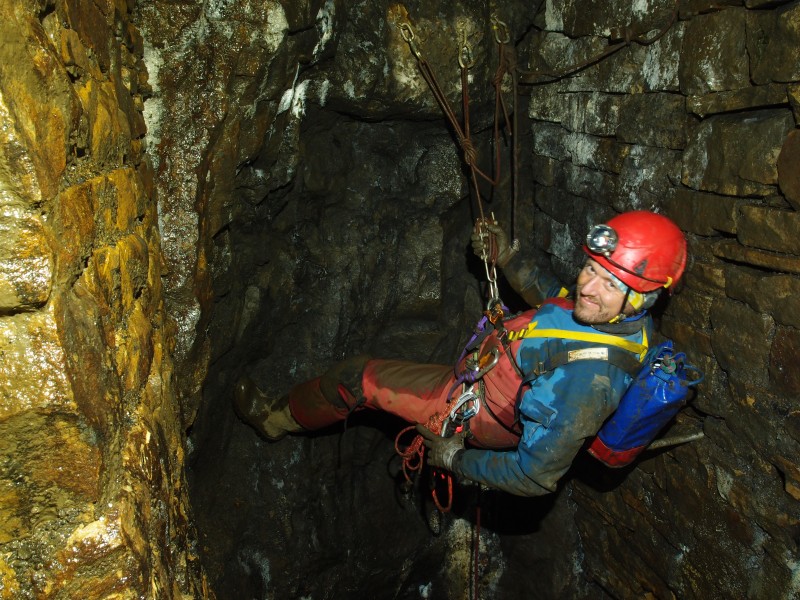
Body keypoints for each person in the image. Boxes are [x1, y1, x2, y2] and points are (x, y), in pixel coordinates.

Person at [234, 211, 687, 497]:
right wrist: (507, 256)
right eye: (591, 268)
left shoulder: (588, 386)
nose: (589, 286)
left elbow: (535, 476)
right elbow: (561, 300)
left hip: (475, 409)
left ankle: (276, 420)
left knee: (357, 378)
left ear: (644, 297)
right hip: (486, 372)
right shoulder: (614, 317)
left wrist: (454, 458)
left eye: (609, 283)